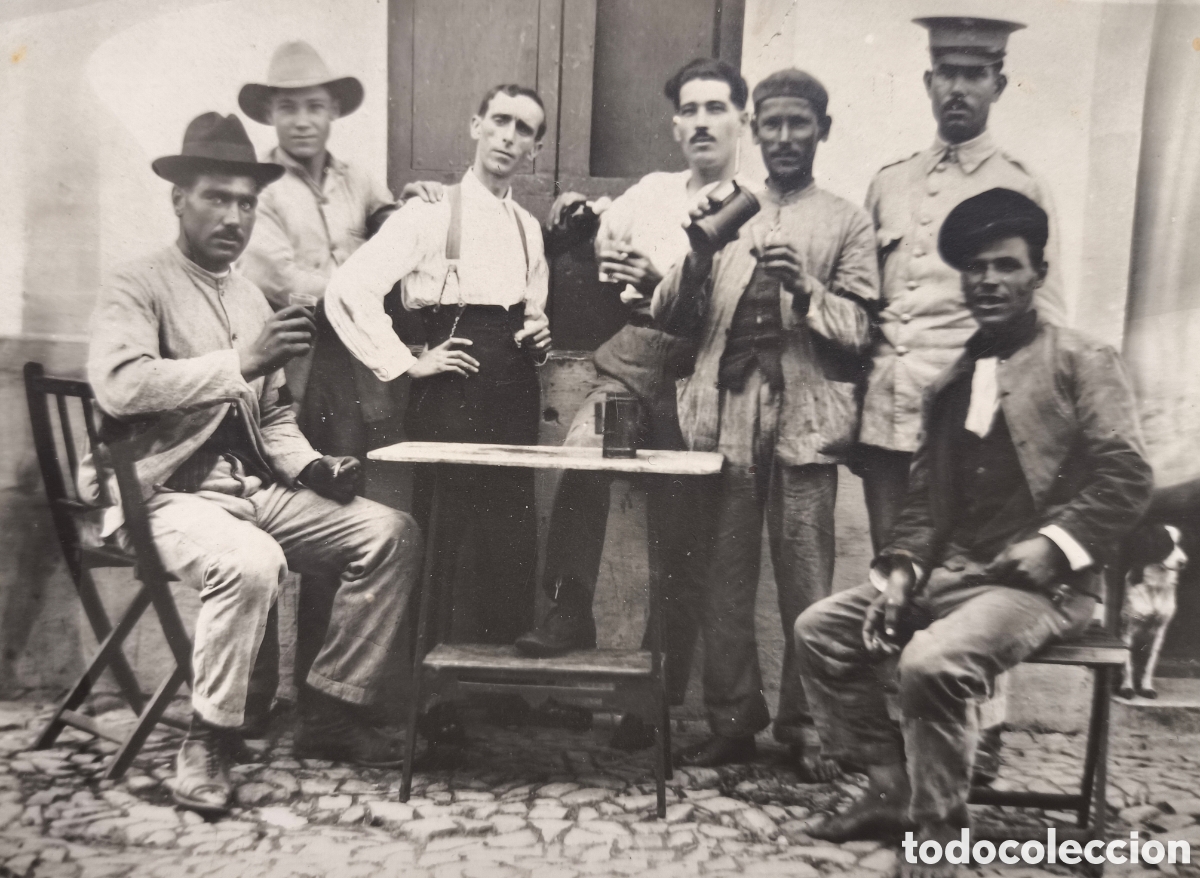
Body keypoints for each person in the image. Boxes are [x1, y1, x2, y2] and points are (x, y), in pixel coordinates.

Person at [795, 189, 1153, 877]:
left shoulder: (1083, 360)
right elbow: (928, 501)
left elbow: (1127, 479)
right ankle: (889, 791)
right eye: (976, 269)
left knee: (931, 663)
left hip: (1046, 588)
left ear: (1036, 275)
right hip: (957, 576)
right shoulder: (954, 378)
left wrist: (1055, 545)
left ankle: (939, 836)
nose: (988, 281)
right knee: (822, 630)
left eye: (1006, 266)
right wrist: (900, 573)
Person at [80, 113, 423, 815]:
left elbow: (270, 419)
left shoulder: (247, 295)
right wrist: (241, 361)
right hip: (156, 496)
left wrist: (312, 469)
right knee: (251, 559)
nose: (234, 215)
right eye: (216, 197)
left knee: (390, 532)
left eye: (246, 202)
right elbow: (120, 384)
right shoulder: (136, 284)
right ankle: (206, 739)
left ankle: (330, 708)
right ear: (178, 199)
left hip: (247, 495)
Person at [514, 57, 751, 748]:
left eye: (718, 108)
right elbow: (598, 224)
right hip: (635, 358)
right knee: (582, 456)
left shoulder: (752, 204)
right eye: (692, 110)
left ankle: (655, 693)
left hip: (703, 368)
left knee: (679, 534)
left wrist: (660, 280)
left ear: (742, 120)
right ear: (676, 124)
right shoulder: (652, 191)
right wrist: (575, 211)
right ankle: (565, 616)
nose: (703, 122)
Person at [857, 15, 1068, 781]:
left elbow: (1048, 320)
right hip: (890, 414)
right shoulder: (891, 181)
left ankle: (982, 743)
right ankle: (904, 746)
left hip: (980, 424)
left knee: (982, 584)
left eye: (975, 73)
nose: (957, 86)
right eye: (945, 70)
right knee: (898, 581)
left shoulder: (1020, 181)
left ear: (999, 85)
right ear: (926, 80)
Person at [655, 69, 879, 776]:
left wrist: (807, 287)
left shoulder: (846, 220)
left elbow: (862, 329)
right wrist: (696, 257)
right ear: (755, 130)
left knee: (807, 584)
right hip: (723, 413)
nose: (784, 138)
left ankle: (808, 728)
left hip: (804, 418)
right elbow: (667, 315)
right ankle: (731, 721)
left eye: (799, 124)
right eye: (772, 124)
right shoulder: (727, 207)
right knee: (724, 579)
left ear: (822, 131)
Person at [324, 84, 552, 736]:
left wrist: (539, 338)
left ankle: (500, 691)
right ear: (476, 124)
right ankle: (435, 698)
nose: (510, 137)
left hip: (511, 390)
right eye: (501, 121)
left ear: (536, 147)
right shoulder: (428, 214)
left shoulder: (527, 227)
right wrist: (405, 362)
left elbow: (533, 313)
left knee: (509, 535)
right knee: (448, 533)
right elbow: (349, 289)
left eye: (525, 129)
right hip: (449, 391)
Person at [237, 40, 440, 456]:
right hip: (296, 362)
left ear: (332, 111)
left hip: (360, 364)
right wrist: (359, 292)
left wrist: (414, 208)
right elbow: (276, 277)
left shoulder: (358, 181)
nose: (302, 121)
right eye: (288, 108)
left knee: (365, 473)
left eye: (314, 107)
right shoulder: (259, 187)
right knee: (301, 473)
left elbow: (392, 234)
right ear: (270, 115)